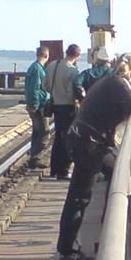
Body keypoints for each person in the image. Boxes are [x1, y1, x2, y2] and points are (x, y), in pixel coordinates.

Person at [56, 53, 131, 260]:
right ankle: (67, 249)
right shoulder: (118, 83)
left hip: (85, 140)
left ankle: (109, 224)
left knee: (118, 173)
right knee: (80, 196)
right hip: (88, 145)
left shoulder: (107, 80)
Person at [43, 43, 81, 179]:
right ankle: (63, 170)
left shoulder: (53, 65)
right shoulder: (73, 71)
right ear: (77, 56)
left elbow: (45, 86)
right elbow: (73, 93)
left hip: (55, 105)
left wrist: (55, 93)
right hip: (68, 107)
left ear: (66, 52)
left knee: (58, 138)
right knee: (67, 139)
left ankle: (54, 169)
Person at [24, 46, 50, 169]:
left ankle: (34, 156)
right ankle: (35, 157)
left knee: (37, 132)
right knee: (44, 133)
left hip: (34, 104)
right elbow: (35, 88)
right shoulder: (38, 70)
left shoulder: (32, 67)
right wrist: (34, 104)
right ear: (46, 56)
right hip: (39, 105)